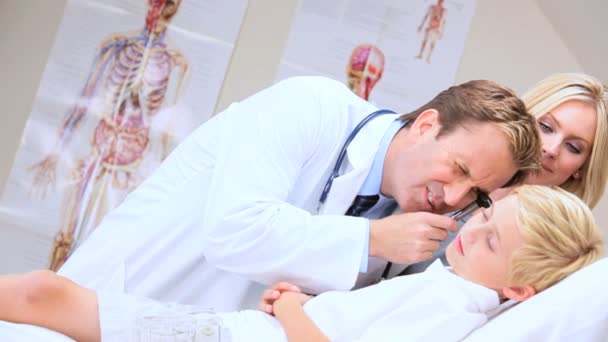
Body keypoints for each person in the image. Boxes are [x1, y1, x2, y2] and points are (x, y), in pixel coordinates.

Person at [56, 76, 540, 311]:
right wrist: (370, 240)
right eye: (457, 168)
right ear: (427, 125)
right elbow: (232, 230)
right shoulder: (310, 106)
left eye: (475, 192)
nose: (452, 196)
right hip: (118, 302)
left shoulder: (421, 235)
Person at [0, 185, 603, 342]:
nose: (472, 233)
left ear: (522, 290)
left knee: (46, 296)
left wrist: (290, 308)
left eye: (492, 243)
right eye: (484, 219)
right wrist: (306, 307)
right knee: (46, 297)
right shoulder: (450, 289)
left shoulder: (450, 304)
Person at [402, 72, 608, 275]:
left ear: (581, 169)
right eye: (545, 127)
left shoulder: (542, 255)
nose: (551, 149)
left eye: (573, 147)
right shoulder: (436, 179)